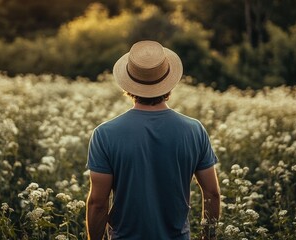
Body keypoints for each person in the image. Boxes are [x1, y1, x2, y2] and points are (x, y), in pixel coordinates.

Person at [86, 40, 220, 240]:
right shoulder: (194, 130)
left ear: (128, 85)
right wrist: (207, 238)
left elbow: (97, 203)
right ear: (169, 84)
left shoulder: (104, 134)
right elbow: (212, 193)